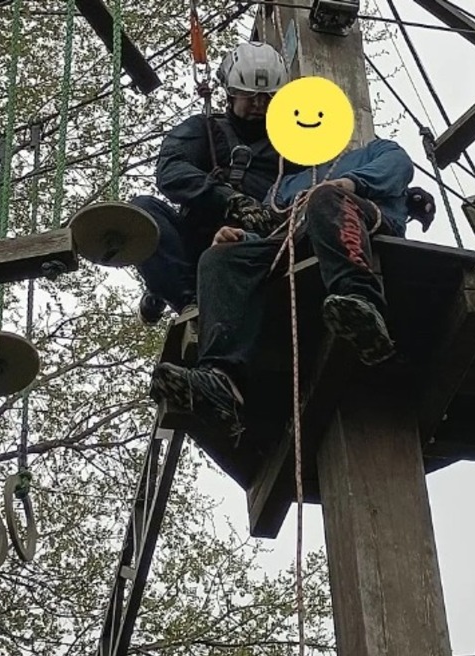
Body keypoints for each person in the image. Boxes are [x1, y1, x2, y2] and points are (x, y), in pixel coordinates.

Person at [148, 135, 436, 437]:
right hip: (300, 239)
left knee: (326, 197)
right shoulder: (283, 186)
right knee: (220, 256)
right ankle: (221, 377)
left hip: (363, 221)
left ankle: (361, 301)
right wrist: (242, 239)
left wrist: (351, 183)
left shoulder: (376, 150)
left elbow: (398, 166)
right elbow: (273, 232)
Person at [129, 42, 308, 324]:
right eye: (250, 96)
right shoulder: (205, 129)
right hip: (197, 242)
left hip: (254, 247)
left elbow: (317, 182)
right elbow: (171, 170)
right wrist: (227, 198)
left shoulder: (293, 147)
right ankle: (188, 303)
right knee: (142, 211)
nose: (259, 105)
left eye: (267, 97)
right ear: (230, 92)